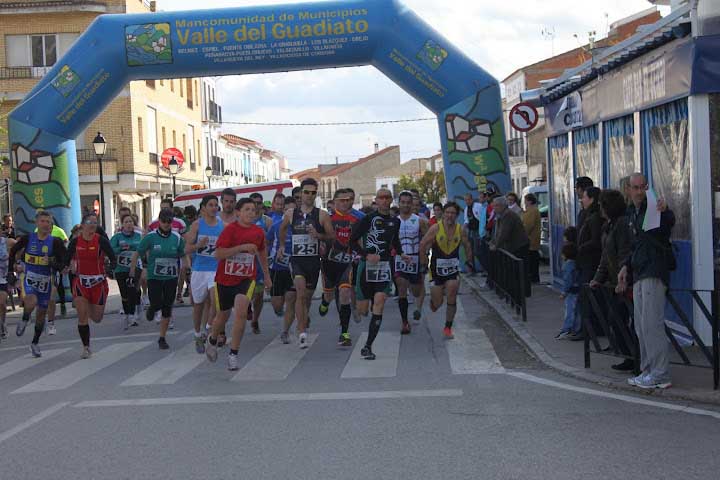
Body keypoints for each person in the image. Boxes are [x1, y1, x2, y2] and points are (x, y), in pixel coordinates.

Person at [618, 173, 675, 389]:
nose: (640, 191)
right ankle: (649, 370)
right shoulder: (632, 211)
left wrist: (665, 209)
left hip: (654, 269)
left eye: (643, 187)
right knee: (642, 326)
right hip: (640, 270)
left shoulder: (653, 206)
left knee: (652, 325)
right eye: (636, 187)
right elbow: (636, 244)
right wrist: (625, 266)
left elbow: (667, 222)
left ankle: (660, 374)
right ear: (629, 190)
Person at [205, 198, 271, 370]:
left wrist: (267, 276)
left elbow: (262, 254)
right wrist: (241, 248)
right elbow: (218, 254)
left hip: (246, 278)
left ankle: (233, 354)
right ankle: (212, 339)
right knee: (222, 316)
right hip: (225, 279)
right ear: (238, 213)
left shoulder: (258, 232)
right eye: (247, 209)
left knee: (241, 313)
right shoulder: (230, 231)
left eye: (254, 210)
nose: (251, 213)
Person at [350, 188, 408, 360]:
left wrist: (401, 253)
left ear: (391, 200)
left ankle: (368, 346)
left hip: (384, 267)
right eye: (381, 197)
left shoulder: (395, 222)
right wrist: (366, 255)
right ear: (376, 200)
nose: (384, 200)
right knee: (363, 310)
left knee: (380, 301)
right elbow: (352, 241)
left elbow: (394, 240)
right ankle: (357, 305)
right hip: (366, 266)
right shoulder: (367, 219)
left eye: (387, 197)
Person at [277, 178, 335, 349]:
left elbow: (332, 236)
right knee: (300, 293)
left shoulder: (321, 214)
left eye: (313, 192)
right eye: (306, 192)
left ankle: (302, 320)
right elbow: (281, 229)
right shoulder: (290, 214)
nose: (309, 196)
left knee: (306, 299)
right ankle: (302, 333)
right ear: (300, 194)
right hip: (297, 261)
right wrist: (281, 246)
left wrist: (319, 235)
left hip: (313, 261)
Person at [7, 211, 66, 357]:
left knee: (41, 315)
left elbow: (63, 263)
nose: (46, 224)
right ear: (37, 223)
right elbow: (13, 251)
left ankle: (34, 343)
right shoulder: (28, 239)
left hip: (46, 282)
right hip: (30, 278)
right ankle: (25, 319)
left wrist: (52, 262)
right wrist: (10, 271)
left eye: (48, 222)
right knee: (31, 300)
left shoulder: (56, 242)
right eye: (43, 221)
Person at [589, 189, 635, 371]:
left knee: (621, 318)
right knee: (616, 318)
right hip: (615, 281)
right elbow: (605, 256)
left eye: (602, 205)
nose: (600, 208)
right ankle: (629, 356)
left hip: (624, 281)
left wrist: (624, 276)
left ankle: (634, 357)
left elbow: (625, 251)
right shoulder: (609, 225)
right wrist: (597, 278)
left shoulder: (622, 224)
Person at [130, 209, 186, 350]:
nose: (166, 224)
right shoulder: (150, 237)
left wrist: (187, 267)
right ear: (159, 222)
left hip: (171, 277)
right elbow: (137, 254)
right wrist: (133, 272)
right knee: (157, 302)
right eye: (163, 221)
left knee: (167, 306)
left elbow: (183, 254)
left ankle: (162, 337)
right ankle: (153, 308)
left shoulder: (177, 237)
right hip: (154, 277)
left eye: (169, 222)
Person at [65, 213, 116, 358]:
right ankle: (86, 348)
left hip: (98, 283)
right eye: (89, 222)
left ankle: (89, 309)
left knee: (97, 318)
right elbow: (66, 259)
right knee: (82, 315)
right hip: (81, 282)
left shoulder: (101, 241)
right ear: (83, 225)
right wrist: (63, 266)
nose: (93, 224)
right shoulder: (75, 242)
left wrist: (110, 269)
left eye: (95, 222)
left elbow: (113, 259)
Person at [419, 201, 473, 339]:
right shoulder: (436, 228)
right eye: (447, 212)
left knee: (452, 292)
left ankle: (448, 327)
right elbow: (423, 244)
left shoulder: (460, 230)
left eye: (453, 213)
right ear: (443, 214)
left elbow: (467, 245)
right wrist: (423, 261)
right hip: (436, 270)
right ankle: (435, 301)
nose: (450, 215)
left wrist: (469, 261)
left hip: (452, 269)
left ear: (457, 215)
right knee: (438, 303)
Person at [318, 189, 361, 346]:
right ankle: (325, 301)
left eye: (348, 200)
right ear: (334, 201)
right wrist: (321, 246)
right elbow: (319, 238)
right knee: (330, 296)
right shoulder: (327, 219)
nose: (345, 203)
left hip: (346, 265)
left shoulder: (355, 220)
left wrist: (359, 255)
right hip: (328, 264)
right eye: (341, 200)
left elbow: (358, 242)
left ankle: (345, 333)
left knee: (344, 294)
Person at [184, 195, 223, 353]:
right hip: (199, 269)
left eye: (216, 205)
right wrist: (198, 245)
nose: (214, 208)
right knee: (198, 305)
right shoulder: (196, 225)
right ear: (203, 208)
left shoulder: (222, 226)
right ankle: (197, 333)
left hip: (215, 269)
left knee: (216, 301)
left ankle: (208, 327)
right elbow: (186, 249)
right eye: (211, 205)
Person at [394, 190, 429, 334]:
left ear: (412, 204)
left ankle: (417, 306)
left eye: (408, 203)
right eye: (403, 202)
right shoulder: (394, 221)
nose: (406, 205)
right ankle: (404, 322)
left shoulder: (420, 221)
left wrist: (425, 255)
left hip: (415, 258)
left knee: (415, 291)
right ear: (399, 203)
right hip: (400, 258)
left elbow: (428, 239)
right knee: (402, 288)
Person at [575, 186, 604, 340]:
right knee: (588, 296)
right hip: (586, 261)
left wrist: (580, 247)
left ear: (592, 199)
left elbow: (595, 240)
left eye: (584, 197)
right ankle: (590, 328)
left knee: (587, 296)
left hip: (590, 262)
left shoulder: (594, 217)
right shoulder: (587, 214)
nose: (582, 199)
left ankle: (588, 330)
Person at [269, 196, 297, 344]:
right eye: (287, 210)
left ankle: (285, 331)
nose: (289, 214)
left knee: (291, 299)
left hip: (294, 268)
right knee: (277, 304)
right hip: (278, 267)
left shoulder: (301, 227)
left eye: (292, 211)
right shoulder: (276, 226)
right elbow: (267, 244)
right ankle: (278, 310)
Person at [489, 196, 531, 295]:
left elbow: (504, 233)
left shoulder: (508, 215)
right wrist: (493, 242)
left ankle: (522, 293)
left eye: (495, 206)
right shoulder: (502, 215)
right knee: (517, 270)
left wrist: (496, 245)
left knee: (520, 270)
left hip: (519, 245)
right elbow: (498, 232)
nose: (494, 208)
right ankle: (518, 292)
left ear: (501, 206)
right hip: (514, 245)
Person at [111, 214, 143, 330]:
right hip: (120, 268)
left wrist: (133, 247)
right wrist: (120, 249)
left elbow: (143, 247)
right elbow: (111, 250)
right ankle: (127, 313)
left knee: (132, 290)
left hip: (134, 268)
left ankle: (132, 314)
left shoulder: (139, 236)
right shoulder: (117, 237)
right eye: (126, 222)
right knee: (124, 293)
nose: (129, 224)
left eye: (131, 222)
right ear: (122, 224)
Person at [247, 192, 273, 334]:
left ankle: (255, 320)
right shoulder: (244, 220)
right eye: (254, 202)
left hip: (260, 263)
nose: (256, 205)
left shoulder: (267, 221)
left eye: (259, 202)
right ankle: (247, 308)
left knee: (259, 295)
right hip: (246, 262)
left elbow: (272, 240)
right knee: (247, 293)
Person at [556, 243, 580, 340]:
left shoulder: (567, 265)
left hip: (570, 291)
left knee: (569, 311)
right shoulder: (575, 263)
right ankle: (575, 329)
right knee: (576, 311)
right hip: (577, 289)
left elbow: (567, 280)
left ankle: (566, 329)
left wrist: (563, 292)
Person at [0, 231, 17, 340]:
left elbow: (21, 247)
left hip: (4, 278)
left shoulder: (7, 242)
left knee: (1, 303)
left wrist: (16, 262)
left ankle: (3, 324)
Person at [522, 193, 541, 283]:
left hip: (531, 240)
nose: (524, 202)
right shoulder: (531, 210)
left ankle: (533, 278)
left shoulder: (532, 210)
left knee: (532, 260)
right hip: (531, 239)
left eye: (525, 200)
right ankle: (533, 277)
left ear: (529, 201)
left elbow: (528, 225)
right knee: (532, 260)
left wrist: (523, 235)